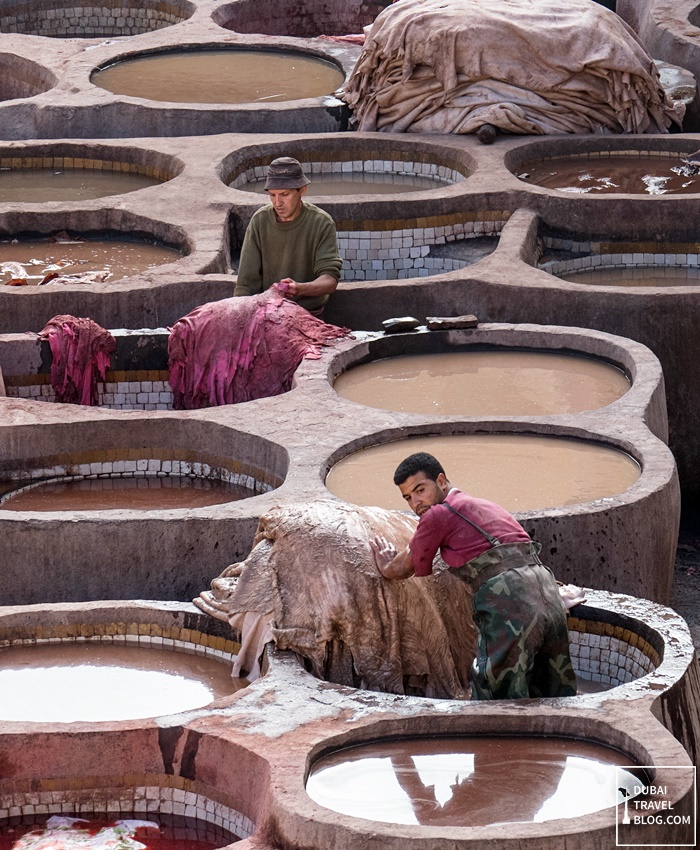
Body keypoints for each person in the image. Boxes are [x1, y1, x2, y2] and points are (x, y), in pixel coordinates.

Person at [370, 452, 577, 700]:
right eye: (408, 497)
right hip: (547, 590)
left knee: (494, 696)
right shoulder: (486, 505)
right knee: (555, 694)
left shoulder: (438, 514)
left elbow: (404, 567)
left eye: (420, 490)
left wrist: (385, 563)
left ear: (442, 481)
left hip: (510, 600)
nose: (416, 503)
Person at [234, 157, 343, 316]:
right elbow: (245, 284)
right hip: (269, 314)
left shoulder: (321, 223)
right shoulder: (260, 221)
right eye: (272, 195)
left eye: (284, 194)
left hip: (309, 313)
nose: (277, 203)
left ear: (302, 190)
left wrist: (299, 288)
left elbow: (329, 280)